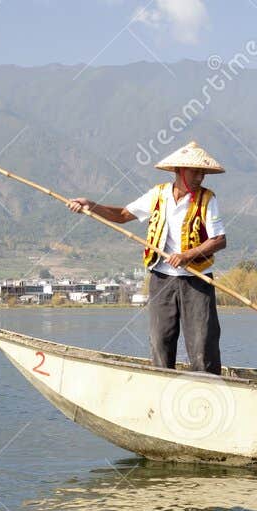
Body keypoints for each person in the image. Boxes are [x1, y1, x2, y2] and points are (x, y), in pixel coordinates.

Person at [67, 141, 227, 375]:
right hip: (162, 278)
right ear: (179, 171)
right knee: (160, 339)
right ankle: (162, 384)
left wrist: (187, 256)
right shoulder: (158, 195)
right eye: (195, 172)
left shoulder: (207, 200)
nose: (200, 177)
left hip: (196, 280)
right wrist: (90, 206)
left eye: (203, 173)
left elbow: (219, 240)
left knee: (202, 342)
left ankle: (208, 387)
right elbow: (122, 215)